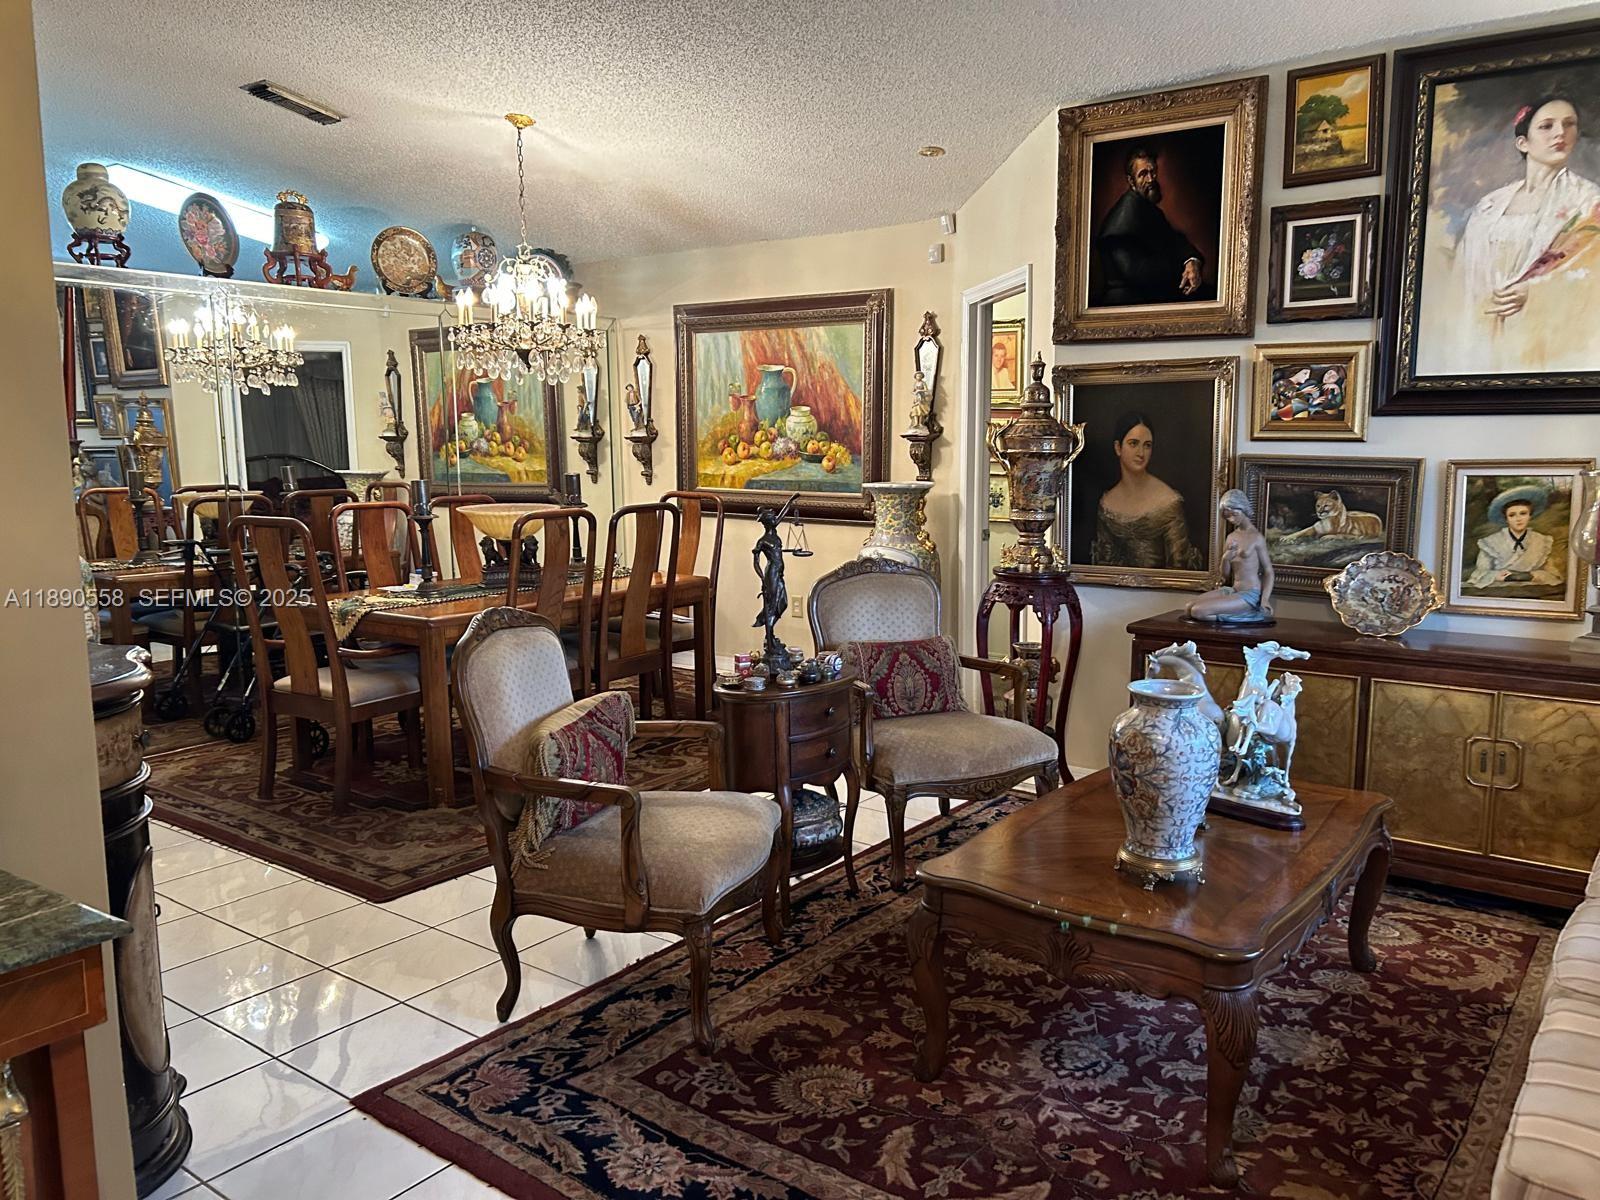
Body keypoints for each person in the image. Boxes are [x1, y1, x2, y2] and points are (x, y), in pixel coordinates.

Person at [1460, 97, 1600, 325]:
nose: (1560, 133)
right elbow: (1465, 277)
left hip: (1545, 328)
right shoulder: (1489, 206)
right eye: (1547, 126)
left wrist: (1535, 291)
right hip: (1484, 324)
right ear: (1523, 143)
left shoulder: (1588, 200)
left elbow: (1593, 272)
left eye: (1569, 124)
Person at [1094, 146, 1207, 306]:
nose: (1150, 179)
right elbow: (1140, 274)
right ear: (1131, 181)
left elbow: (1174, 240)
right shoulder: (1123, 217)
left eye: (1153, 172)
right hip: (1129, 303)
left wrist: (1191, 261)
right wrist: (1182, 270)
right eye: (1143, 174)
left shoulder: (1149, 209)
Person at [1092, 410, 1203, 570]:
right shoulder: (1107, 503)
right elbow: (1103, 566)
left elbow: (1179, 568)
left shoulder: (1168, 501)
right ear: (1118, 448)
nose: (1141, 453)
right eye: (1133, 443)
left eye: (1147, 445)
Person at [1186, 490, 1274, 625]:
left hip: (1250, 593)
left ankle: (1245, 615)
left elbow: (1268, 571)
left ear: (1243, 508)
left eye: (1234, 514)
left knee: (1198, 612)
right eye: (1228, 516)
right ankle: (1231, 613)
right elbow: (1225, 575)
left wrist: (1265, 599)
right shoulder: (1231, 537)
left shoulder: (1256, 538)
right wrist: (1225, 559)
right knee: (1189, 608)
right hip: (1233, 590)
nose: (1231, 519)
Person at [1467, 483, 1562, 590]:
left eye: (1523, 513)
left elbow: (1553, 574)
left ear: (1530, 515)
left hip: (1533, 590)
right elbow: (1479, 573)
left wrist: (1534, 575)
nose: (1518, 519)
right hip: (1499, 591)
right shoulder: (1491, 542)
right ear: (1506, 519)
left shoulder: (1542, 541)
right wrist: (1496, 576)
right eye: (1512, 515)